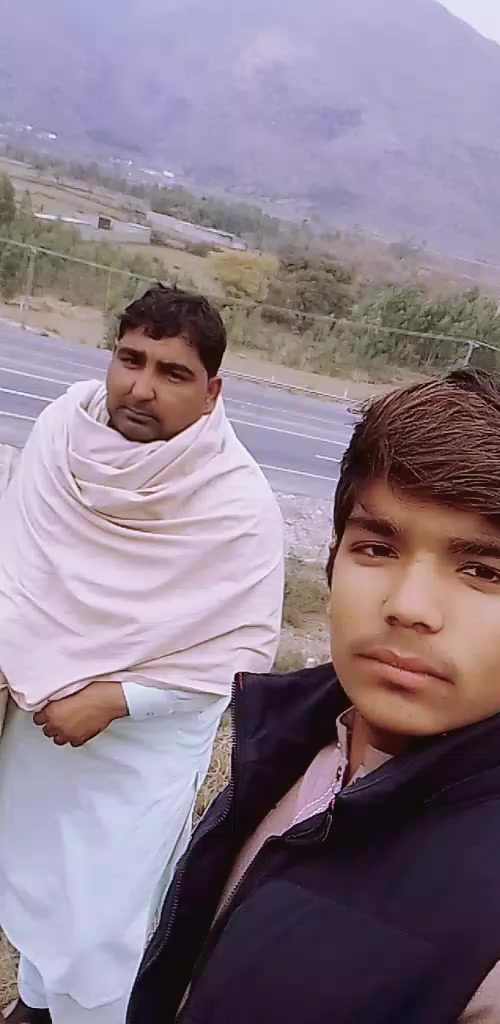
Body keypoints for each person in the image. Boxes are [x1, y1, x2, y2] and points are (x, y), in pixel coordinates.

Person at [128, 368, 500, 1024]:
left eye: (481, 570)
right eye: (377, 548)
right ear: (334, 560)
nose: (409, 606)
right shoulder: (289, 742)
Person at [0, 284, 284, 1024]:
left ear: (212, 391)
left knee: (104, 920)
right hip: (37, 722)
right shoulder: (63, 431)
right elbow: (18, 566)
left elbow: (240, 654)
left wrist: (114, 698)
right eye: (131, 360)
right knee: (38, 880)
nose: (142, 387)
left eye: (173, 373)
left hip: (137, 751)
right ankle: (35, 1003)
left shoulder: (236, 504)